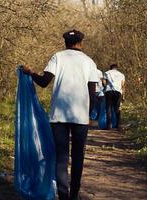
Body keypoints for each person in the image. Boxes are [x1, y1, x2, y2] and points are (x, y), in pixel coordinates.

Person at [22, 29, 99, 200]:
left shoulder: (57, 57)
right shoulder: (89, 62)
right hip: (80, 116)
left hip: (59, 116)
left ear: (65, 43)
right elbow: (92, 92)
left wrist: (30, 72)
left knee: (61, 158)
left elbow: (43, 82)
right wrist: (88, 114)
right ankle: (74, 195)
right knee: (78, 156)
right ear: (81, 43)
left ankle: (63, 196)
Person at [104, 64, 125, 129]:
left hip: (109, 91)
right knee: (117, 108)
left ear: (110, 68)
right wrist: (123, 96)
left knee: (108, 108)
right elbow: (123, 85)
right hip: (118, 92)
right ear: (117, 68)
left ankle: (109, 125)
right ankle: (118, 125)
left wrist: (105, 87)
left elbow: (104, 82)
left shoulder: (106, 73)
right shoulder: (121, 75)